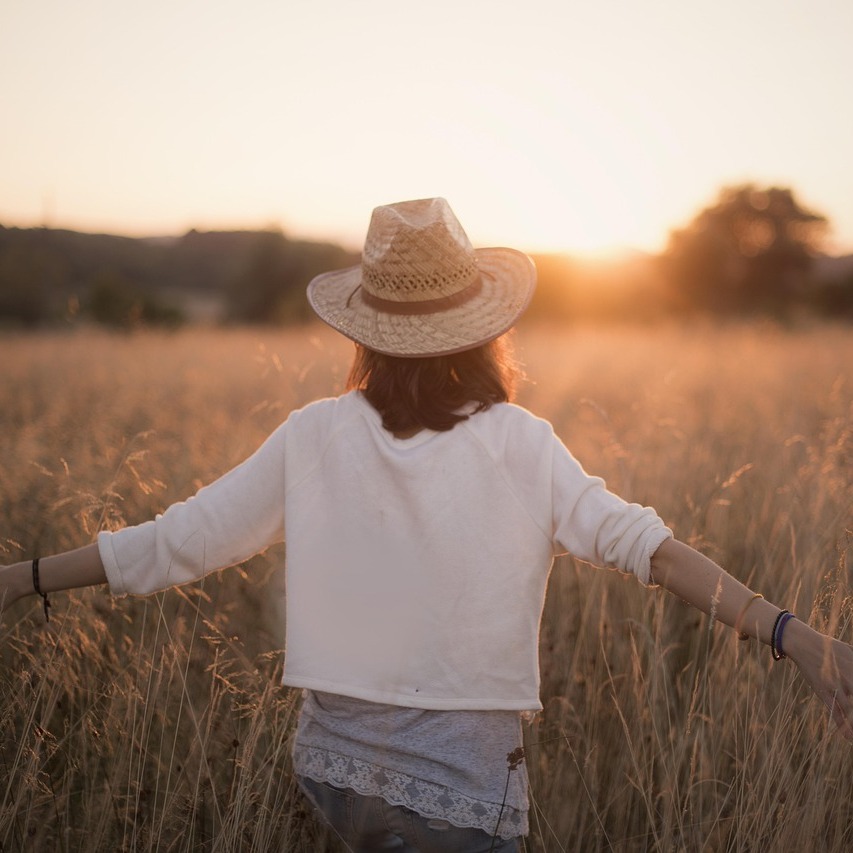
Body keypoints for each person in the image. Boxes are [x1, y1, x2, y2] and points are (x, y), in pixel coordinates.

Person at [1, 197, 852, 853]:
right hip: (463, 794)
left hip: (334, 779)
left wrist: (21, 577)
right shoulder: (522, 443)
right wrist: (795, 636)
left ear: (367, 328)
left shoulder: (313, 433)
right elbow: (653, 552)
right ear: (481, 325)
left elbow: (173, 542)